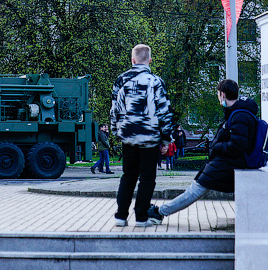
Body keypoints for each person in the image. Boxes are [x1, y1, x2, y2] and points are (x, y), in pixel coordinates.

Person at [147, 79, 258, 224]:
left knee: (194, 191)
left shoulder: (239, 116)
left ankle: (159, 213)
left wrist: (216, 147)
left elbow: (238, 145)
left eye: (218, 94)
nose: (218, 97)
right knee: (194, 189)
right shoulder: (238, 113)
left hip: (226, 165)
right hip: (226, 164)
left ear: (222, 94)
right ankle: (160, 211)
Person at [110, 44, 173, 227]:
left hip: (128, 136)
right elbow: (164, 112)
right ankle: (141, 217)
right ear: (150, 60)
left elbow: (114, 110)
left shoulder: (120, 80)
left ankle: (121, 216)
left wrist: (116, 132)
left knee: (127, 176)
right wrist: (166, 139)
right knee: (147, 178)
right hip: (150, 137)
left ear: (132, 60)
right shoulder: (156, 82)